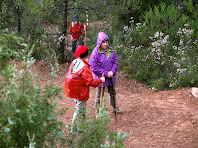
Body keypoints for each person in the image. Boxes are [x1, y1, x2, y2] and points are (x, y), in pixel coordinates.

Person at [64, 45, 105, 132]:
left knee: (80, 107)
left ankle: (82, 126)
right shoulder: (84, 67)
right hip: (79, 90)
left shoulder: (75, 61)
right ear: (87, 55)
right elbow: (90, 82)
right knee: (79, 109)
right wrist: (100, 80)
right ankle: (73, 128)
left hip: (72, 88)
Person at [89, 32, 123, 114]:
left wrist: (112, 71)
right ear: (99, 43)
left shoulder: (112, 51)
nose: (105, 44)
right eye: (103, 42)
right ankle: (98, 111)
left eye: (106, 42)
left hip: (111, 76)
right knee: (99, 95)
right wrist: (105, 73)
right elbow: (94, 67)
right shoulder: (95, 53)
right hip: (100, 78)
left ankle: (114, 107)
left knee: (112, 93)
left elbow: (115, 63)